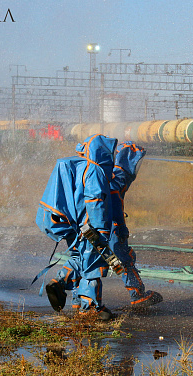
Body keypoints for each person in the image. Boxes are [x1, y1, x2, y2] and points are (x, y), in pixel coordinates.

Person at [36, 134, 118, 320]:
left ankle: (60, 283)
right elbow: (95, 201)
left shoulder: (79, 165)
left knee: (79, 257)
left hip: (71, 224)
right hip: (90, 228)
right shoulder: (95, 170)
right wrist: (101, 231)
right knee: (93, 264)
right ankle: (91, 308)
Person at [107, 141, 162, 307]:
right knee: (124, 257)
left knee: (95, 260)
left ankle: (77, 297)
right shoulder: (118, 177)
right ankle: (136, 294)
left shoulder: (107, 175)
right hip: (109, 228)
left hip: (94, 228)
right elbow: (114, 204)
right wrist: (121, 228)